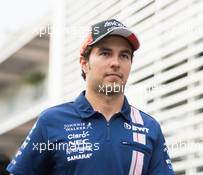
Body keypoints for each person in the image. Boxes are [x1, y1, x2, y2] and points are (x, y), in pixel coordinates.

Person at [7, 19, 175, 175]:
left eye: (124, 55)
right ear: (84, 63)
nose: (115, 63)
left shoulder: (149, 127)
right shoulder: (51, 120)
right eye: (105, 53)